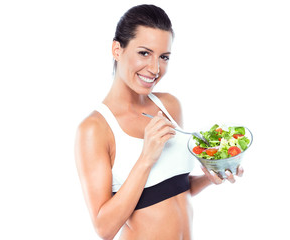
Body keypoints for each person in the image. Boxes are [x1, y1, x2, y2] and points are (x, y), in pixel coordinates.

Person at [75, 4, 244, 240]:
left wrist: (210, 176)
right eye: (144, 53)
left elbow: (174, 189)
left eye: (164, 57)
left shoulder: (170, 106)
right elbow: (104, 228)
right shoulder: (95, 129)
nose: (155, 69)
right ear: (117, 49)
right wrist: (146, 157)